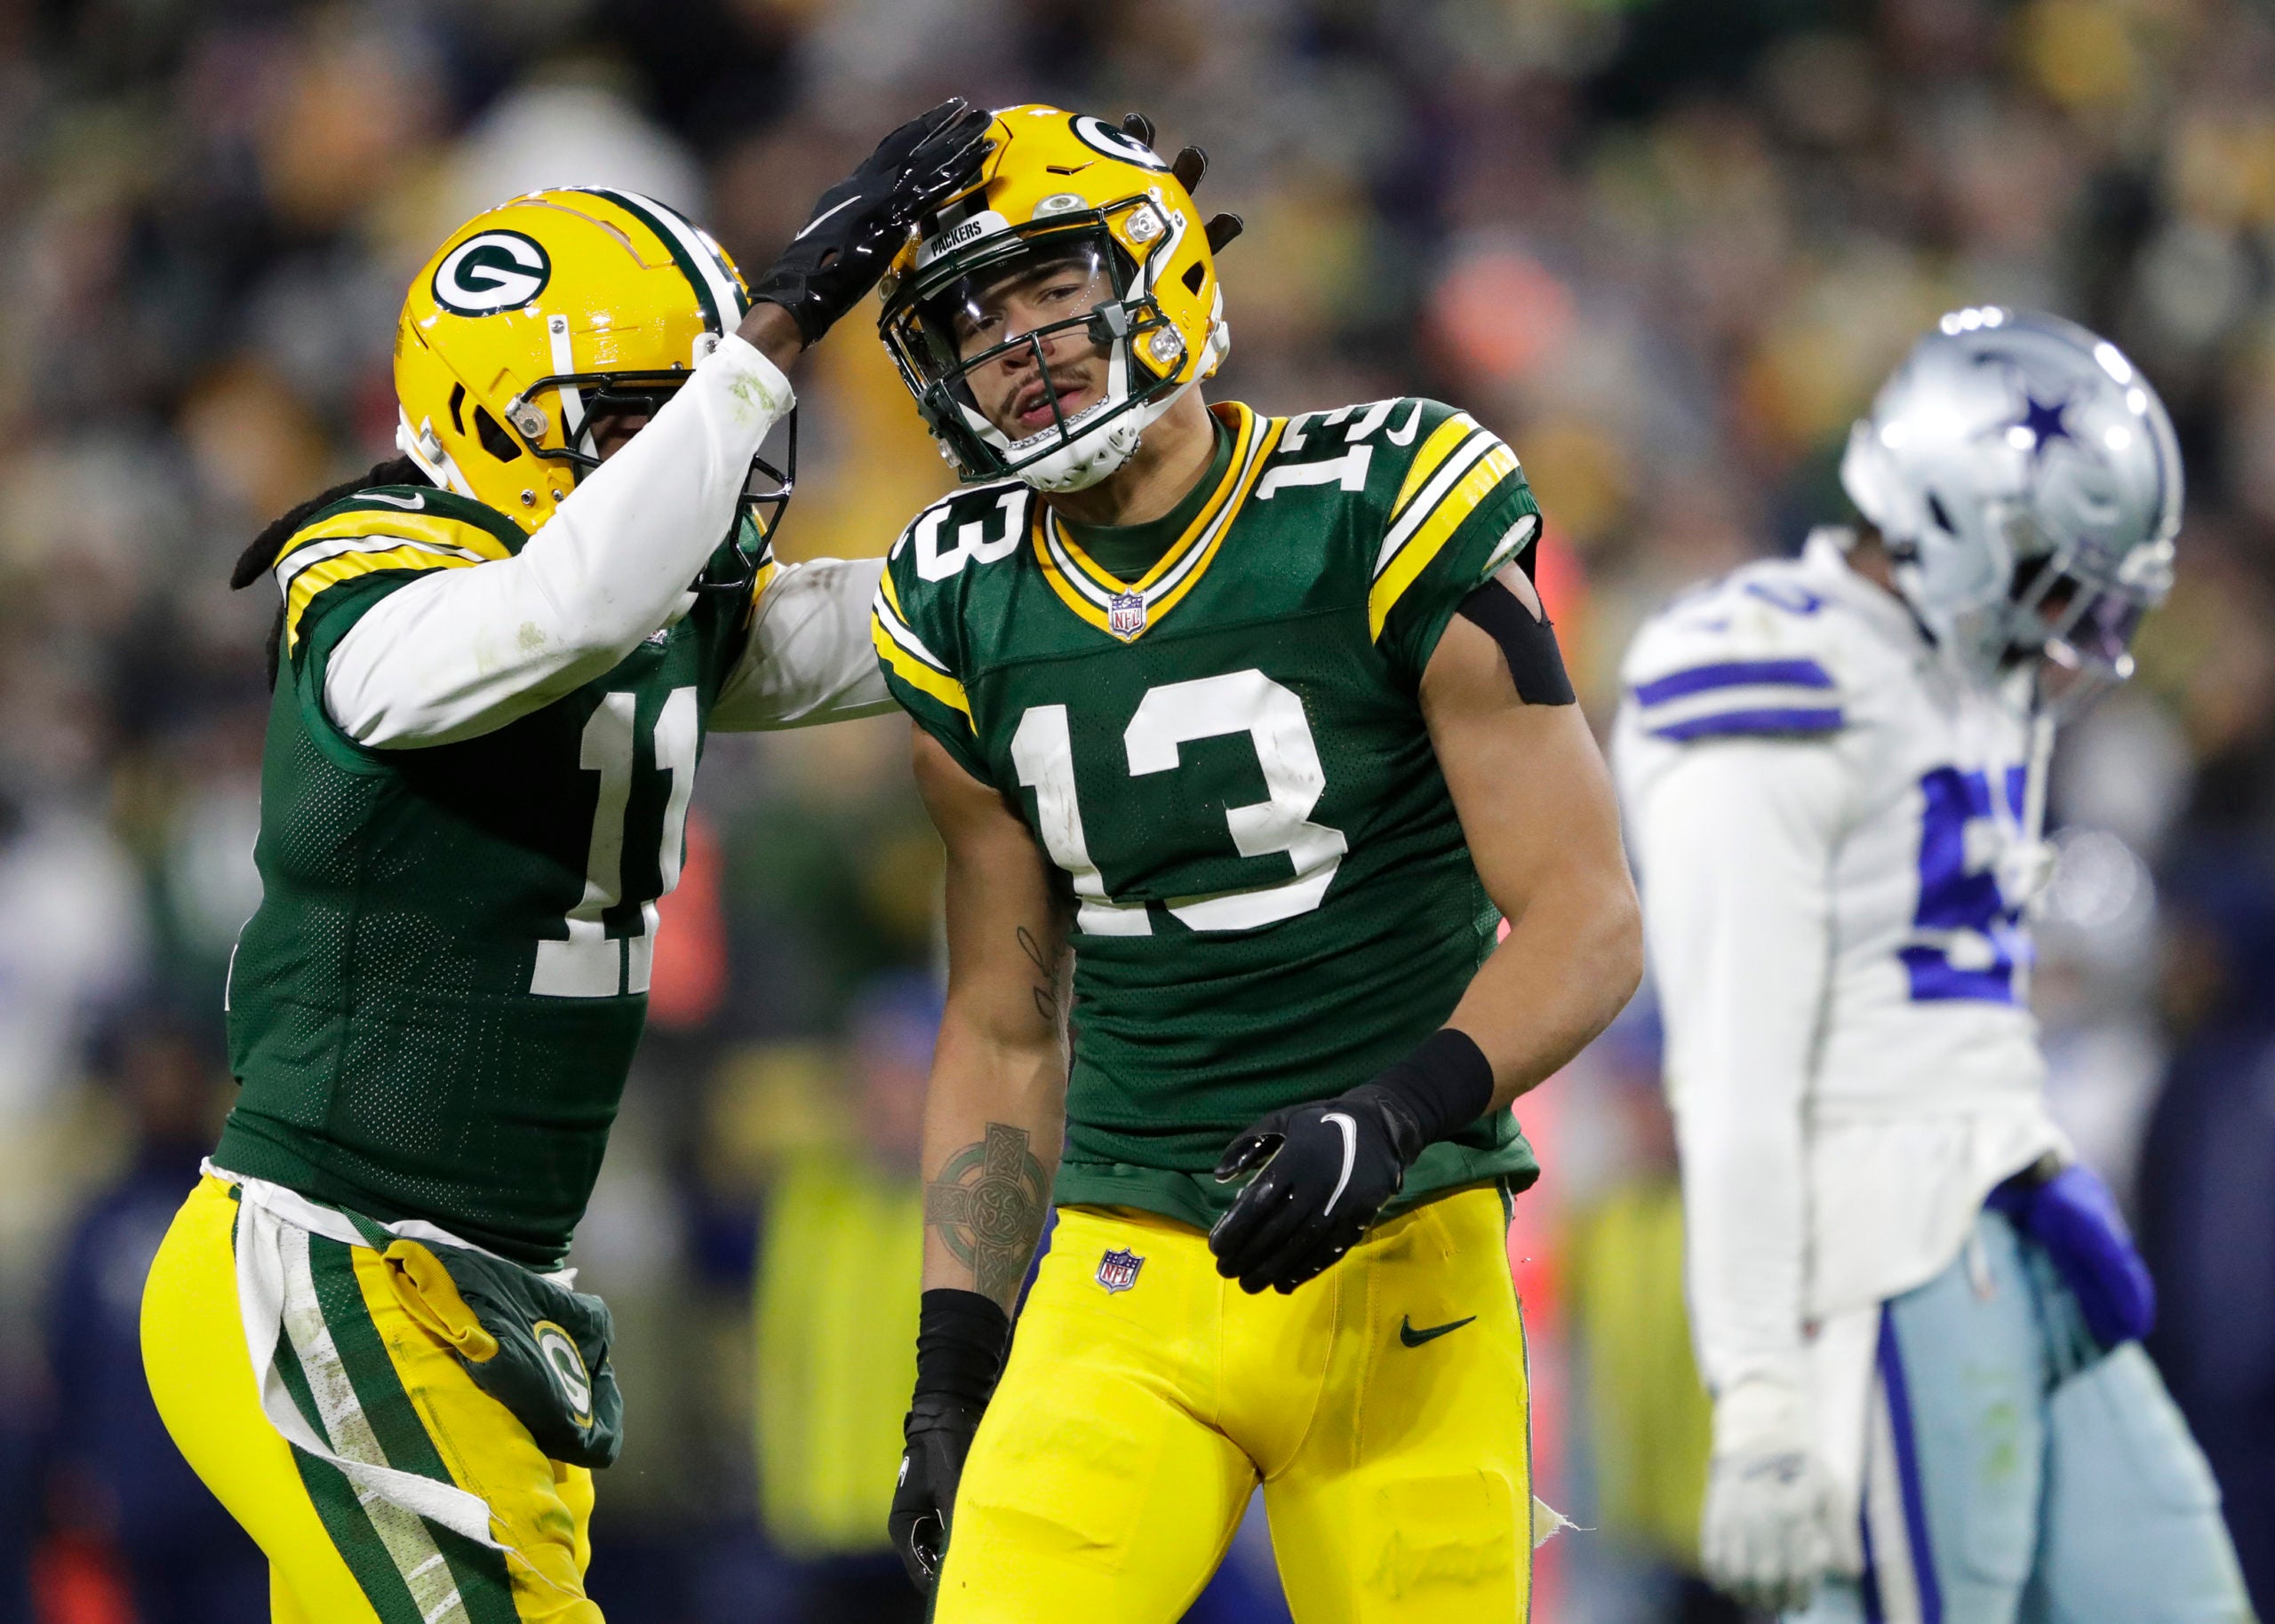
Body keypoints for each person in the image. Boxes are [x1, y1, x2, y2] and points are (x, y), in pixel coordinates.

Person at [137, 100, 994, 1624]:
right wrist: (773, 330)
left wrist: (1097, 510)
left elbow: (879, 623)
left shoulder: (638, 596)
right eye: (630, 423)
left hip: (483, 1296)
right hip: (332, 1271)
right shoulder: (373, 582)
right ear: (490, 416)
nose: (688, 462)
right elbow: (566, 608)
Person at [870, 106, 1641, 1620]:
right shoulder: (958, 598)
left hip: (1402, 1257)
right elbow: (1005, 1021)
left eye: (1045, 286)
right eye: (973, 316)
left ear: (1159, 268)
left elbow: (1588, 916)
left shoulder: (1383, 505)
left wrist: (1395, 1111)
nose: (1016, 343)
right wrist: (952, 1370)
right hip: (1123, 1271)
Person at [1612, 308, 2255, 1623]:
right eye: (2061, 583)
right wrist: (1765, 1405)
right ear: (1955, 520)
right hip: (1881, 1265)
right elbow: (1733, 1073)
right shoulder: (1767, 676)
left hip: (2012, 1223)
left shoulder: (1958, 669)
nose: (2081, 639)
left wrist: (2036, 1171)